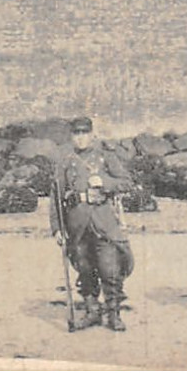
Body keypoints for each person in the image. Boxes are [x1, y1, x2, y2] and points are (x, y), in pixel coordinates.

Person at [50, 117, 136, 331]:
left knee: (110, 269)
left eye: (84, 133)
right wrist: (57, 228)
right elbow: (56, 197)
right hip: (77, 225)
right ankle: (92, 312)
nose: (80, 138)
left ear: (91, 134)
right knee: (84, 269)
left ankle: (114, 313)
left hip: (103, 222)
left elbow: (126, 182)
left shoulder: (105, 156)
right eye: (76, 134)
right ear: (72, 136)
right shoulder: (65, 161)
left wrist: (104, 182)